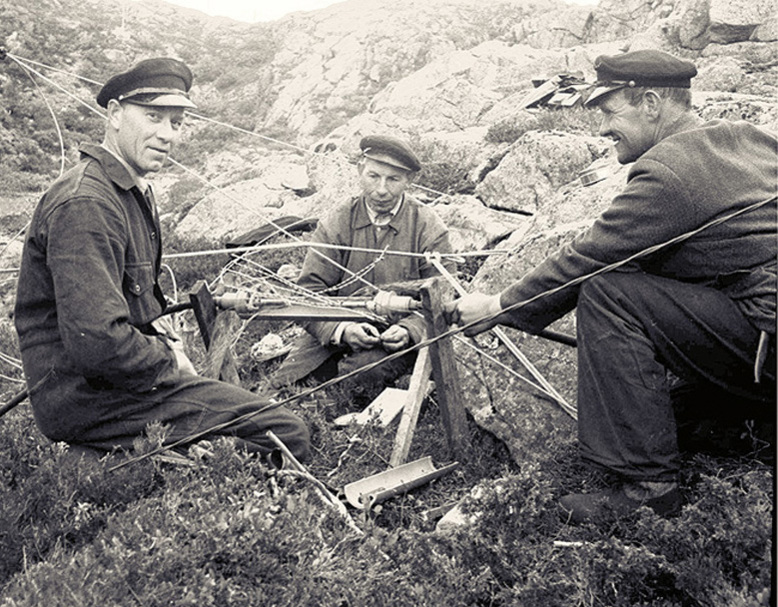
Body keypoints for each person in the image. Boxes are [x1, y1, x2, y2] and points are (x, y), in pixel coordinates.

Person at [446, 50, 776, 524]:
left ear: (649, 102)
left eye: (608, 111)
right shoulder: (748, 138)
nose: (602, 129)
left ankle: (649, 490)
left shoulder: (668, 170)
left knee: (609, 292)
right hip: (762, 328)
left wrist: (498, 306)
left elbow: (590, 257)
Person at [14, 58, 310, 461]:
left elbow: (136, 311)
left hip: (122, 385)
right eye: (153, 117)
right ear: (116, 114)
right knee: (286, 432)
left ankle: (137, 459)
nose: (166, 134)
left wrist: (166, 353)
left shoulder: (130, 191)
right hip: (91, 398)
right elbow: (97, 342)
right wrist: (170, 361)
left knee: (258, 428)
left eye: (176, 123)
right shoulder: (87, 202)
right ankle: (114, 463)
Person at [273, 135, 454, 388]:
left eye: (393, 179)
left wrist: (408, 331)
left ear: (409, 181)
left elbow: (443, 296)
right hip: (337, 323)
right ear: (360, 171)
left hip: (396, 336)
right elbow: (309, 292)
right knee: (283, 385)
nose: (381, 189)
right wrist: (343, 330)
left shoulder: (429, 228)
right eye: (373, 176)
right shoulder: (337, 220)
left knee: (361, 376)